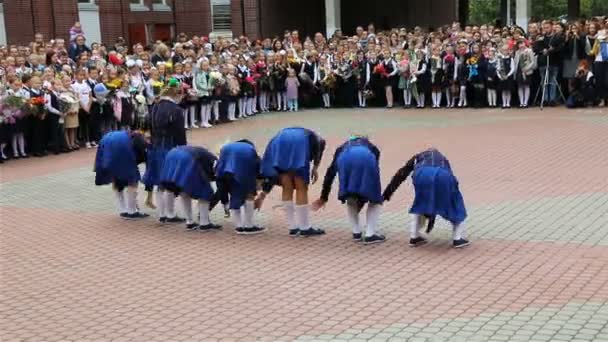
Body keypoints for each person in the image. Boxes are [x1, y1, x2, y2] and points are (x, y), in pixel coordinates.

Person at [382, 147, 469, 248]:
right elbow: (451, 180)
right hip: (442, 174)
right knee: (455, 202)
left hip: (421, 174)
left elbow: (400, 175)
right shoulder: (443, 160)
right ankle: (457, 238)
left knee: (420, 203)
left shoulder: (417, 158)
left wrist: (386, 194)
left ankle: (414, 236)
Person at [312, 135, 385, 244]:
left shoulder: (341, 148)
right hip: (366, 157)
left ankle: (356, 232)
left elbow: (330, 173)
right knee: (375, 199)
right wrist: (365, 198)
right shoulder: (372, 148)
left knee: (350, 195)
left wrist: (324, 197)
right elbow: (370, 177)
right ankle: (370, 234)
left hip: (344, 158)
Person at [255, 127, 326, 237]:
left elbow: (273, 176)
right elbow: (318, 153)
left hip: (279, 139)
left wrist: (263, 194)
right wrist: (315, 168)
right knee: (301, 186)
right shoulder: (318, 141)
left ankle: (292, 227)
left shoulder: (307, 134)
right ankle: (305, 227)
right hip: (299, 142)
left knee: (286, 184)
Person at [143, 78, 188, 224]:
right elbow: (180, 133)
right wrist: (183, 148)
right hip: (169, 147)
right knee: (168, 180)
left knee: (159, 180)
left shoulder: (155, 106)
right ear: (177, 94)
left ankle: (162, 213)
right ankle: (169, 214)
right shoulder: (176, 110)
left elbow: (148, 125)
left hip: (154, 146)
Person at [160, 145, 221, 230]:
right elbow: (212, 175)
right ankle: (204, 223)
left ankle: (189, 222)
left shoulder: (206, 154)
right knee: (205, 192)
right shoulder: (214, 161)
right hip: (187, 158)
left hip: (172, 154)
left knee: (183, 189)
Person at [94, 129, 149, 219]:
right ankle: (132, 212)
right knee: (133, 178)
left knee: (116, 176)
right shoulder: (141, 141)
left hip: (106, 141)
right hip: (120, 145)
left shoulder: (134, 135)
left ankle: (123, 210)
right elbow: (140, 159)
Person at [215, 139, 265, 235]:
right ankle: (249, 226)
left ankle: (238, 226)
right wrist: (258, 186)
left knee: (235, 195)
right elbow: (260, 168)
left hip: (224, 170)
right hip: (244, 167)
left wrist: (225, 203)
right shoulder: (250, 148)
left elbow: (219, 179)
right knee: (249, 194)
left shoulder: (226, 147)